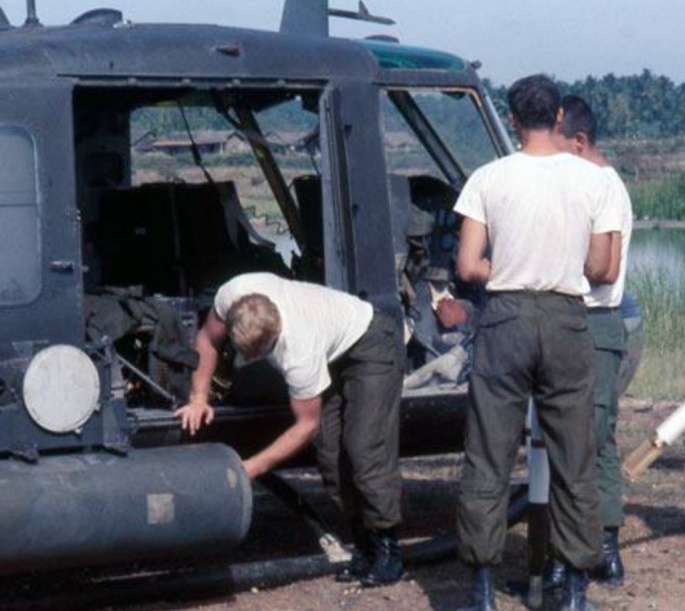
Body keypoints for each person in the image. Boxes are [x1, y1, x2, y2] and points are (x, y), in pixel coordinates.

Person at [453, 74, 621, 611]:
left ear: (513, 119)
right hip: (567, 318)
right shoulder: (594, 180)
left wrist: (505, 264)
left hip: (504, 318)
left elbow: (467, 265)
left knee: (488, 454)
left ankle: (481, 589)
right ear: (556, 119)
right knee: (574, 457)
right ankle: (573, 591)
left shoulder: (487, 177)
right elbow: (600, 268)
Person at [174, 272, 405, 586]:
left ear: (273, 338)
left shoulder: (297, 350)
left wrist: (251, 467)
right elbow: (206, 339)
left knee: (364, 450)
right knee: (330, 457)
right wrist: (198, 397)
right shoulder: (232, 294)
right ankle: (365, 548)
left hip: (369, 342)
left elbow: (306, 426)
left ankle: (389, 552)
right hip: (331, 347)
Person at [546, 94, 633, 589]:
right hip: (582, 320)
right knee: (593, 439)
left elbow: (603, 273)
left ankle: (584, 550)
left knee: (586, 439)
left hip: (593, 320)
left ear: (578, 143)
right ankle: (602, 546)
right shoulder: (591, 182)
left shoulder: (600, 188)